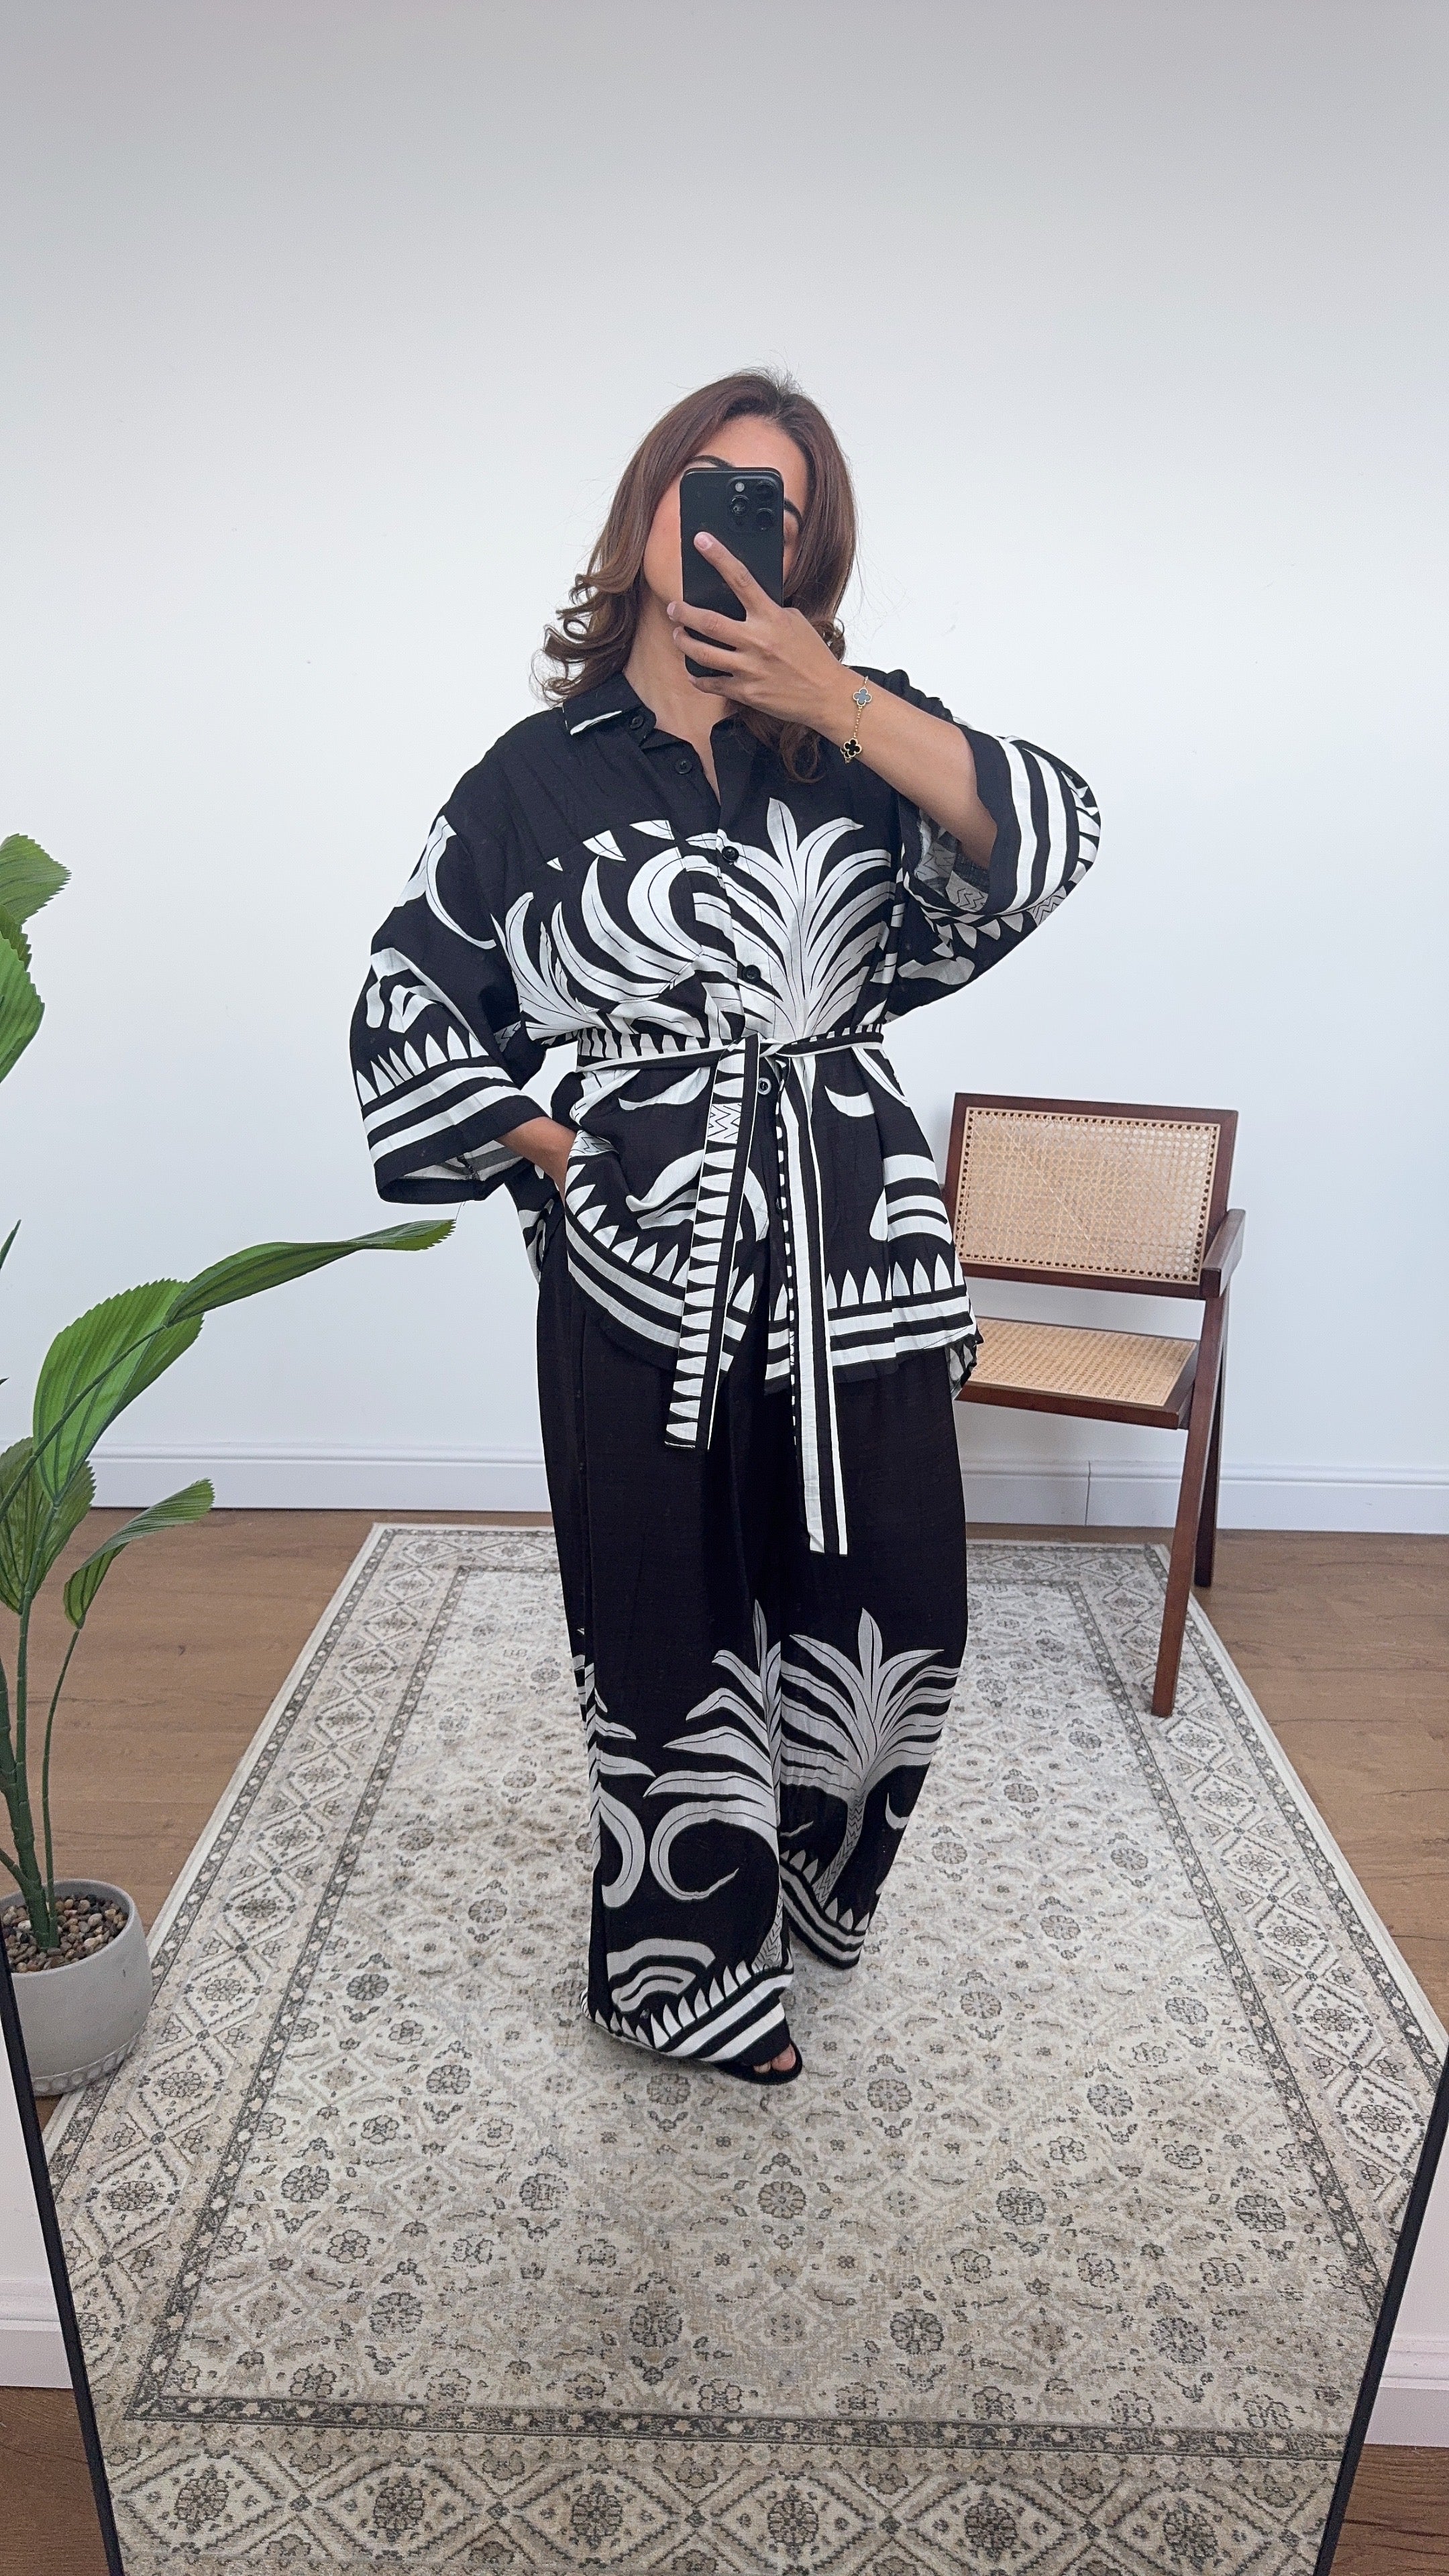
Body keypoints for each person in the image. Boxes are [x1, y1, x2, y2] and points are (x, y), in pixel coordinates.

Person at [350, 369, 1098, 2085]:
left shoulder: (852, 737)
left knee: (902, 1613)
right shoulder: (530, 780)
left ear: (808, 550)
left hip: (858, 1245)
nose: (737, 522)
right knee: (660, 1629)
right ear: (647, 509)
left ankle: (813, 1888)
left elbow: (1047, 833)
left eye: (781, 506)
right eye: (709, 481)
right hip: (637, 1265)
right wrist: (558, 1150)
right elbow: (406, 1000)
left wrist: (836, 697)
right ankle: (682, 1972)